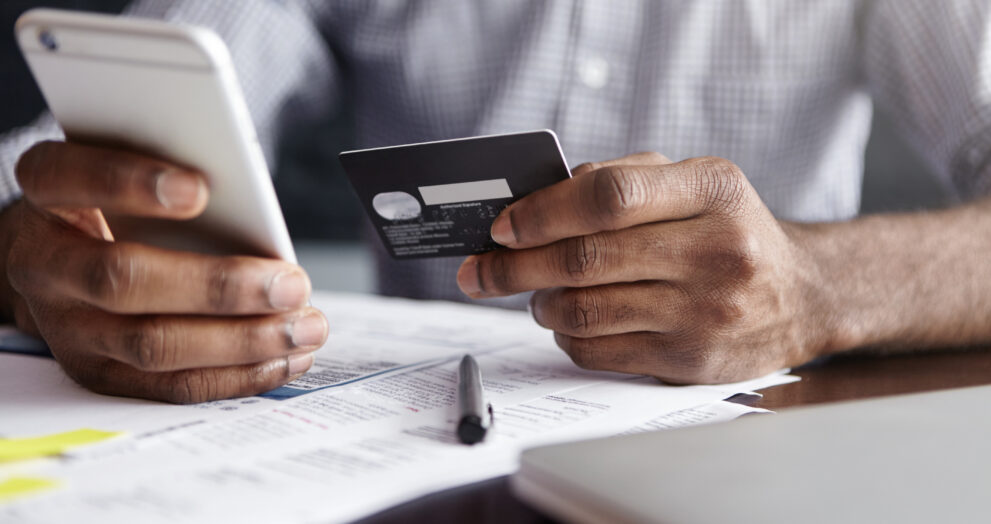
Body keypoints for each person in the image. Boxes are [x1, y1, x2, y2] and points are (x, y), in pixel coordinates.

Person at [3, 0, 991, 403]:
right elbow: (84, 134)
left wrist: (818, 286)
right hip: (406, 442)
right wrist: (27, 256)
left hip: (758, 442)